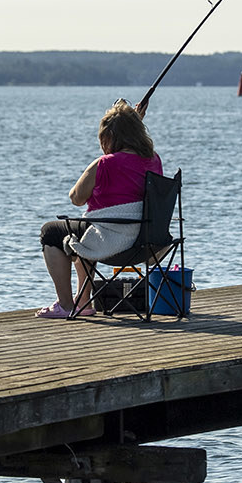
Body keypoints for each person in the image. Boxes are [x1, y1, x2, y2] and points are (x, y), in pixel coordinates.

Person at [36, 99, 163, 318]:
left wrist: (98, 165)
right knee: (86, 230)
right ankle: (83, 302)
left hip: (111, 238)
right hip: (146, 241)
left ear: (108, 137)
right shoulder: (153, 159)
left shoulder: (104, 164)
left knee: (52, 232)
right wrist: (131, 121)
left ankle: (66, 304)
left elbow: (76, 198)